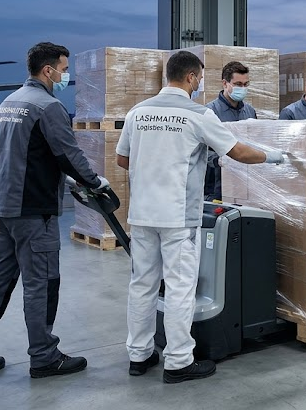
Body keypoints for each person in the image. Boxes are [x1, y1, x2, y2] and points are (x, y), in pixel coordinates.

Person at [116, 51, 284, 384]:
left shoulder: (138, 112)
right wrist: (273, 156)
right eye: (200, 78)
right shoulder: (197, 114)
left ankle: (139, 355)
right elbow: (236, 151)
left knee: (143, 285)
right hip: (178, 216)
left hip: (142, 214)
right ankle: (178, 361)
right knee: (180, 287)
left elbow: (123, 160)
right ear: (192, 77)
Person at [0, 42, 109, 380]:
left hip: (0, 206)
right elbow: (68, 155)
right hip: (31, 210)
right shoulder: (47, 106)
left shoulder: (9, 102)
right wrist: (96, 182)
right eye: (63, 69)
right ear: (48, 70)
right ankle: (44, 356)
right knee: (41, 283)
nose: (65, 76)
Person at [203, 61, 257, 200]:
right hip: (217, 186)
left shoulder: (250, 112)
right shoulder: (209, 112)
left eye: (246, 85)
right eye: (238, 84)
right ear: (225, 83)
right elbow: (199, 151)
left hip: (245, 184)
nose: (243, 88)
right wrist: (220, 160)